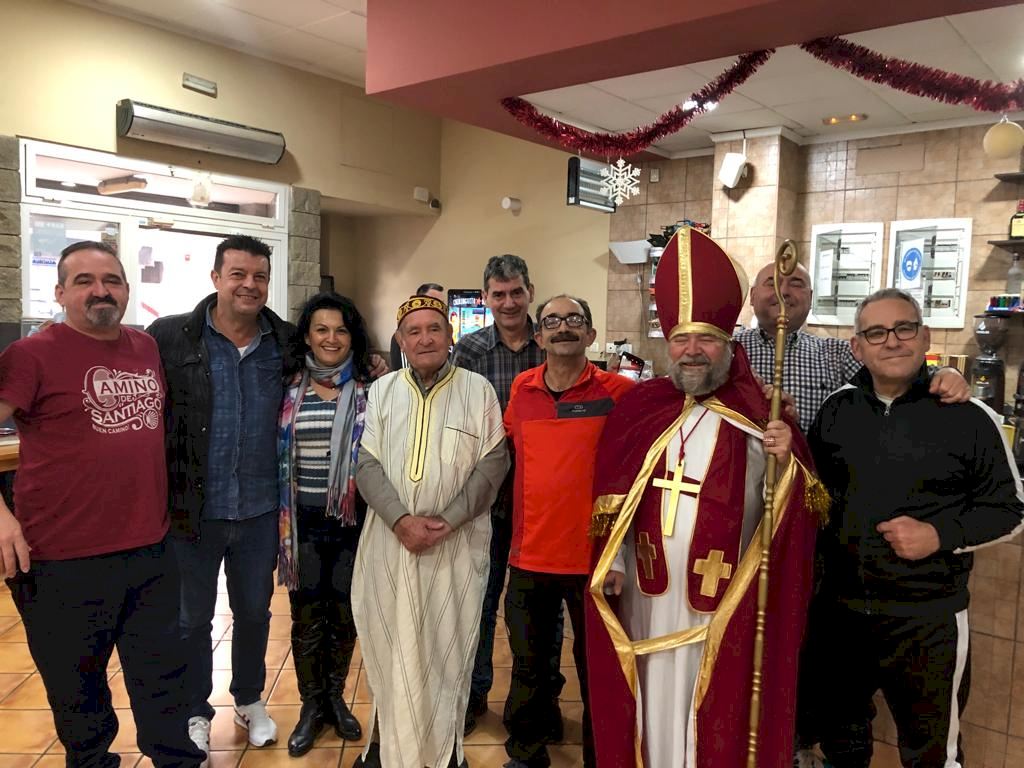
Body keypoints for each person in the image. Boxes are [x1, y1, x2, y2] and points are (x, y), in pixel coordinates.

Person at [585, 227, 822, 767]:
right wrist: (614, 561)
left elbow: (796, 515)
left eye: (707, 339)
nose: (692, 352)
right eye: (681, 339)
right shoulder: (640, 409)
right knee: (648, 705)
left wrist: (787, 462)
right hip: (644, 600)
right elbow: (614, 500)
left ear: (729, 344)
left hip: (722, 606)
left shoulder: (761, 414)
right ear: (666, 345)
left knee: (710, 711)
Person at [0, 241, 205, 768]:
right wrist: (1, 519)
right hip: (60, 559)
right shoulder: (31, 355)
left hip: (150, 551)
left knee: (166, 686)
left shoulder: (145, 347)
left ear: (126, 290)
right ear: (60, 292)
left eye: (111, 280)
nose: (101, 291)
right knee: (81, 701)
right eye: (85, 281)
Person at [805, 288, 1024, 768]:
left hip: (927, 619)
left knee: (931, 755)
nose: (892, 341)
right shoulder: (836, 411)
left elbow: (1010, 511)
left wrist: (939, 535)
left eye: (904, 328)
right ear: (857, 347)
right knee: (841, 744)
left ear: (924, 336)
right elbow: (811, 495)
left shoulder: (970, 417)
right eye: (876, 333)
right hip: (841, 614)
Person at [149, 235, 301, 756]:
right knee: (192, 619)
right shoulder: (171, 337)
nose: (249, 285)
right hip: (194, 510)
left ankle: (249, 698)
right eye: (238, 274)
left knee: (255, 613)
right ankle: (195, 708)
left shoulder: (285, 342)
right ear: (216, 278)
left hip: (260, 510)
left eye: (259, 276)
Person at [351, 294, 510, 768]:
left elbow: (494, 462)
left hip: (455, 546)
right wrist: (401, 521)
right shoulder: (382, 391)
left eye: (434, 329)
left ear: (450, 335)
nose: (425, 339)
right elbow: (366, 464)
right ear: (400, 341)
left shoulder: (478, 389)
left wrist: (448, 521)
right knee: (389, 643)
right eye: (414, 331)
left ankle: (443, 752)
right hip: (390, 543)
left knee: (447, 647)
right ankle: (388, 748)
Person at [501, 295, 634, 768]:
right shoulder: (522, 389)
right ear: (538, 336)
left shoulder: (620, 393)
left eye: (574, 319)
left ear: (591, 334)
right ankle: (526, 752)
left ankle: (603, 758)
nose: (563, 328)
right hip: (529, 555)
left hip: (595, 561)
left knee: (596, 670)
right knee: (529, 666)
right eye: (552, 321)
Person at [452, 254, 549, 736]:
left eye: (516, 292)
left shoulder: (551, 343)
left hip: (542, 499)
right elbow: (454, 418)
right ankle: (473, 697)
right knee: (480, 602)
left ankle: (540, 703)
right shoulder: (469, 350)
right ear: (486, 298)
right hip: (485, 499)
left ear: (530, 291)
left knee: (539, 609)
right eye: (499, 294)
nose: (508, 302)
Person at [277, 292, 373, 756]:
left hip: (352, 522)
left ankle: (336, 698)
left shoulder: (372, 389)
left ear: (352, 336)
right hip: (302, 524)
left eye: (340, 330)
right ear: (307, 336)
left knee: (344, 614)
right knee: (307, 617)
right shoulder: (286, 387)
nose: (331, 338)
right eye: (321, 329)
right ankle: (311, 706)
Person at [735, 261, 969, 432]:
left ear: (811, 297)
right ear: (752, 296)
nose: (784, 291)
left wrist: (944, 373)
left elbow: (895, 369)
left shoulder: (835, 353)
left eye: (796, 284)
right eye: (773, 283)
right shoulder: (730, 348)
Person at [390, 283, 446, 369]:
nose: (438, 308)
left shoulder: (446, 333)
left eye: (441, 303)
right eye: (431, 302)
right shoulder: (404, 337)